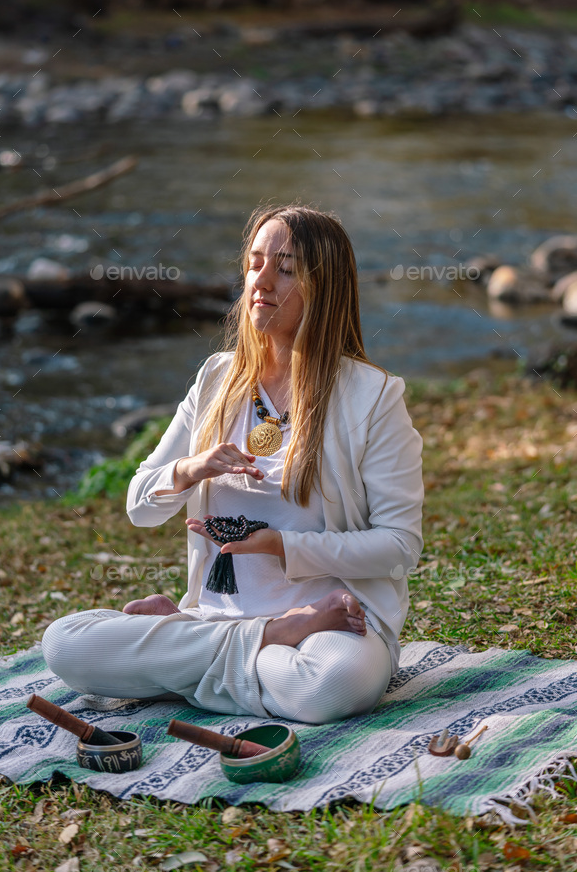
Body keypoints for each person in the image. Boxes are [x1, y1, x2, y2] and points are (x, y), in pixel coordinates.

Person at [42, 204, 423, 725]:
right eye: (254, 263)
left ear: (324, 287)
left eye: (285, 269)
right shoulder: (218, 379)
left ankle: (189, 653)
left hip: (331, 628)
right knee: (64, 643)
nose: (260, 281)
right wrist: (191, 468)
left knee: (329, 686)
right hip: (222, 614)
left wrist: (282, 546)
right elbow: (140, 507)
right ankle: (260, 639)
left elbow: (400, 548)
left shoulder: (373, 397)